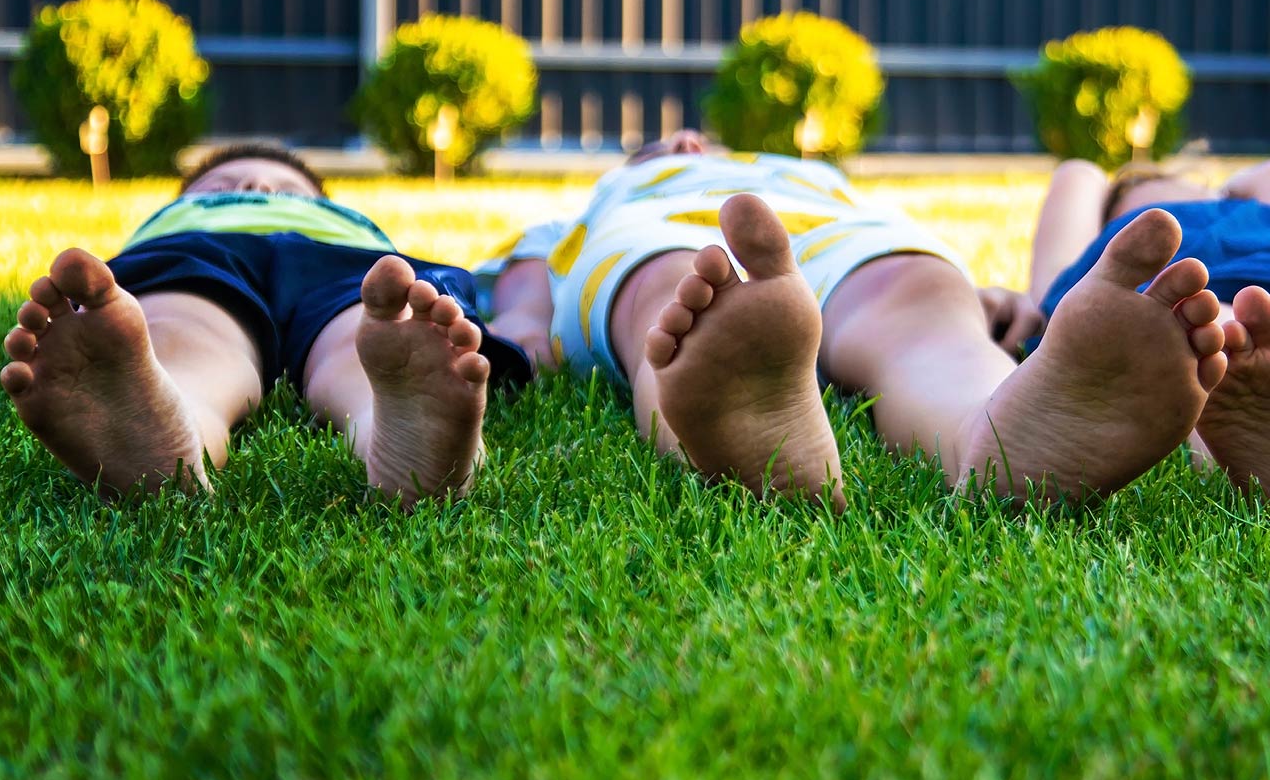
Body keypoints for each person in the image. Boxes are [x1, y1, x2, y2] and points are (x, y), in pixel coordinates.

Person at [481, 130, 1229, 510]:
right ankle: (734, 420)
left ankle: (997, 436)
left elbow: (893, 242)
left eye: (696, 141)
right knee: (675, 296)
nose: (685, 142)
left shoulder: (809, 176)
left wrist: (975, 296)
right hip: (669, 234)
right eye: (652, 149)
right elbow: (522, 300)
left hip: (842, 237)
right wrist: (516, 339)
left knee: (918, 300)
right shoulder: (591, 210)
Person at [0, 143, 531, 504]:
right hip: (199, 256)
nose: (255, 183)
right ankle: (167, 421)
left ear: (323, 204)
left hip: (345, 265)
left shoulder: (348, 226)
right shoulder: (177, 226)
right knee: (185, 332)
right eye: (221, 185)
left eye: (286, 187)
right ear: (180, 203)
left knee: (369, 335)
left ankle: (394, 428)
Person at [1023, 157, 1270, 494]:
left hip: (1216, 308)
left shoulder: (1248, 206)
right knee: (1209, 351)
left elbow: (1078, 173)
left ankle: (1240, 455)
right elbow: (1076, 175)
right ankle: (1250, 460)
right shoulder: (1104, 265)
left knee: (1207, 353)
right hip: (1162, 310)